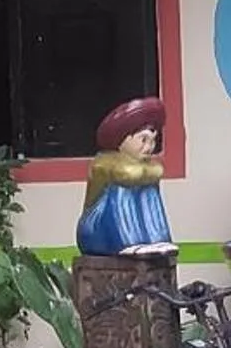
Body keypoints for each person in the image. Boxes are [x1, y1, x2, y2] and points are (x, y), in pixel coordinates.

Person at [76, 98, 177, 257]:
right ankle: (128, 241)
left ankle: (158, 237)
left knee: (148, 191)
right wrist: (147, 172)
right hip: (98, 231)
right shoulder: (104, 162)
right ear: (122, 139)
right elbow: (128, 174)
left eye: (152, 141)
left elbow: (154, 172)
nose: (149, 147)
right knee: (123, 189)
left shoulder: (146, 165)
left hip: (128, 227)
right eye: (143, 140)